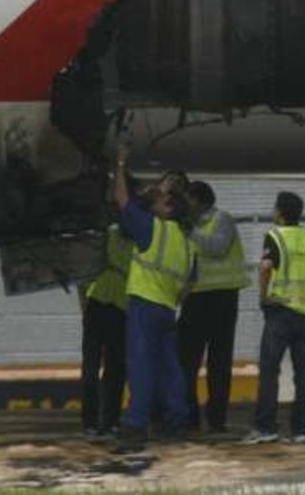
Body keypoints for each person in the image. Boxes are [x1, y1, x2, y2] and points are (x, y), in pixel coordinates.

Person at [114, 147, 196, 450]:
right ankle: (177, 421)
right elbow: (190, 284)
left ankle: (135, 426)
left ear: (168, 208)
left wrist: (120, 163)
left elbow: (122, 200)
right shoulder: (188, 245)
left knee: (141, 366)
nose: (155, 202)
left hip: (144, 306)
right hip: (167, 309)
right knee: (170, 369)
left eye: (160, 199)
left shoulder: (152, 228)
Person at [244, 191, 305, 445]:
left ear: (280, 213)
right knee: (304, 373)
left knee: (270, 370)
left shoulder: (276, 235)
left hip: (281, 312)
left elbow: (265, 268)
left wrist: (264, 297)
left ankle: (266, 428)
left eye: (275, 208)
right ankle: (301, 430)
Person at [178, 180, 250, 432]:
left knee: (219, 362)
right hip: (196, 299)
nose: (184, 206)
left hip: (221, 298)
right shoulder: (188, 227)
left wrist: (190, 232)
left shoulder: (222, 219)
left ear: (199, 200)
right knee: (186, 361)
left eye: (187, 200)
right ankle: (189, 417)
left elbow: (217, 247)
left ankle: (217, 420)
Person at [80, 223, 132, 436]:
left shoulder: (130, 237)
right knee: (103, 368)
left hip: (111, 305)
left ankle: (102, 422)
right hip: (108, 304)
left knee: (109, 368)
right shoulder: (112, 234)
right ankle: (99, 421)